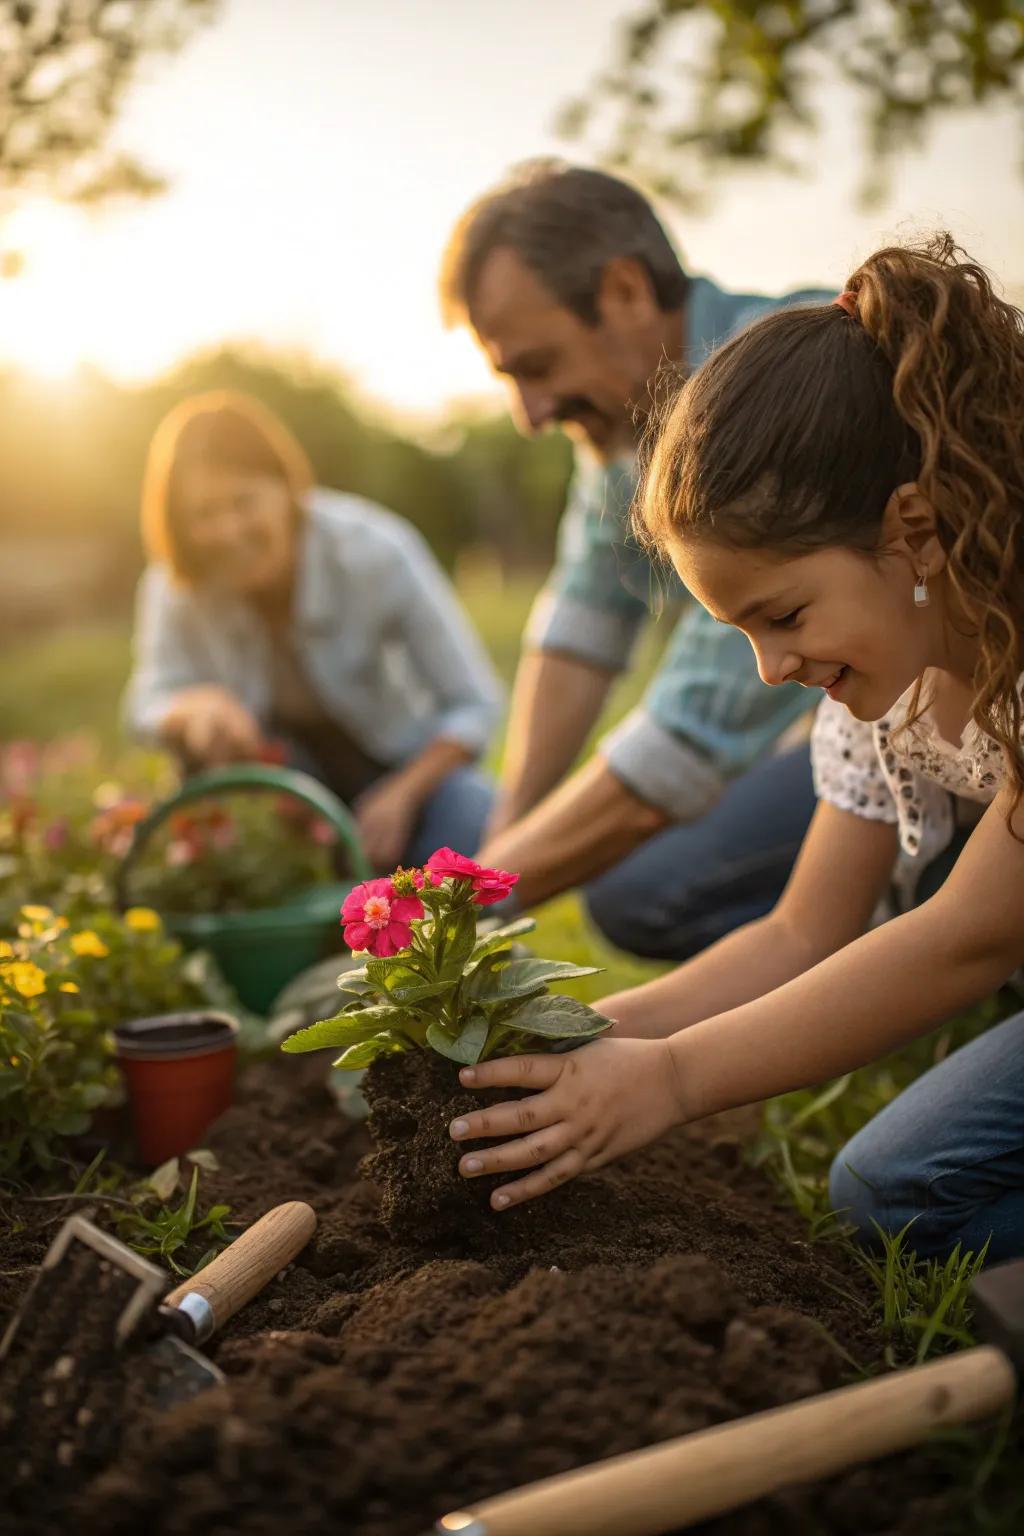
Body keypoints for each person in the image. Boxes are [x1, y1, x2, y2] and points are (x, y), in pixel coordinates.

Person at [446, 236, 1024, 1264]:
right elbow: (803, 932)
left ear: (915, 531)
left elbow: (967, 937)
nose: (769, 671)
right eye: (742, 633)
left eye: (785, 614)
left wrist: (671, 1080)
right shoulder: (880, 683)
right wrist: (587, 1040)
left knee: (897, 1195)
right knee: (889, 1190)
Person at [441, 160, 831, 960]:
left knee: (646, 887)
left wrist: (454, 910)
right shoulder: (627, 428)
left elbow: (698, 730)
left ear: (624, 290)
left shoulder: (782, 389)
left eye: (538, 368)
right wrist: (498, 847)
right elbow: (580, 629)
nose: (529, 414)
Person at [123, 391, 502, 871]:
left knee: (473, 818)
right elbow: (143, 704)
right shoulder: (174, 580)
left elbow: (475, 704)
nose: (226, 530)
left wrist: (401, 796)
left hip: (400, 774)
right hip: (276, 790)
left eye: (243, 502)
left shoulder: (374, 549)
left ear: (286, 488)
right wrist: (194, 708)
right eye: (204, 513)